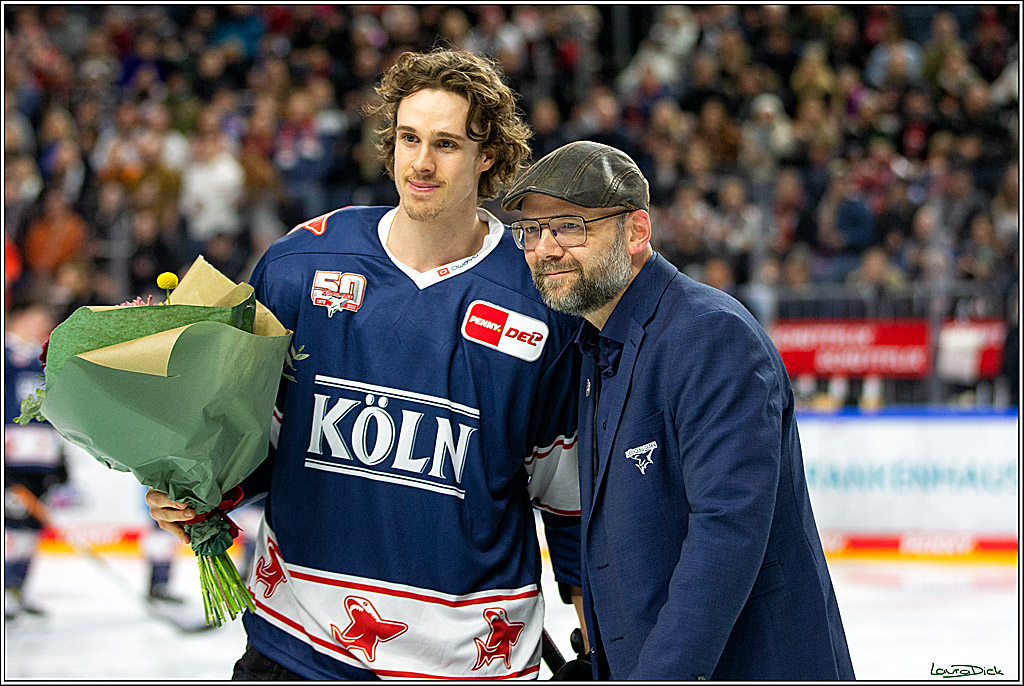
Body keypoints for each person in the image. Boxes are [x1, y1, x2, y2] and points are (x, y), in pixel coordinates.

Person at [146, 49, 585, 680]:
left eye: (447, 144)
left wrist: (593, 628)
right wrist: (202, 493)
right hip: (296, 643)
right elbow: (263, 439)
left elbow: (569, 500)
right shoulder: (301, 263)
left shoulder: (540, 303)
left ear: (488, 155)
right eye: (409, 138)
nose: (422, 163)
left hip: (465, 658)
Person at [501, 140, 856, 680]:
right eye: (531, 231)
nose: (544, 248)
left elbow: (726, 534)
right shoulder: (596, 349)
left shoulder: (710, 336)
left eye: (569, 226)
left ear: (636, 232)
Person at [4, 294, 66, 619]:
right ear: (18, 319)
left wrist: (60, 463)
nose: (43, 326)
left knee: (29, 529)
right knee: (10, 527)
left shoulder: (43, 361)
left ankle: (17, 589)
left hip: (40, 460)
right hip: (11, 458)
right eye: (37, 319)